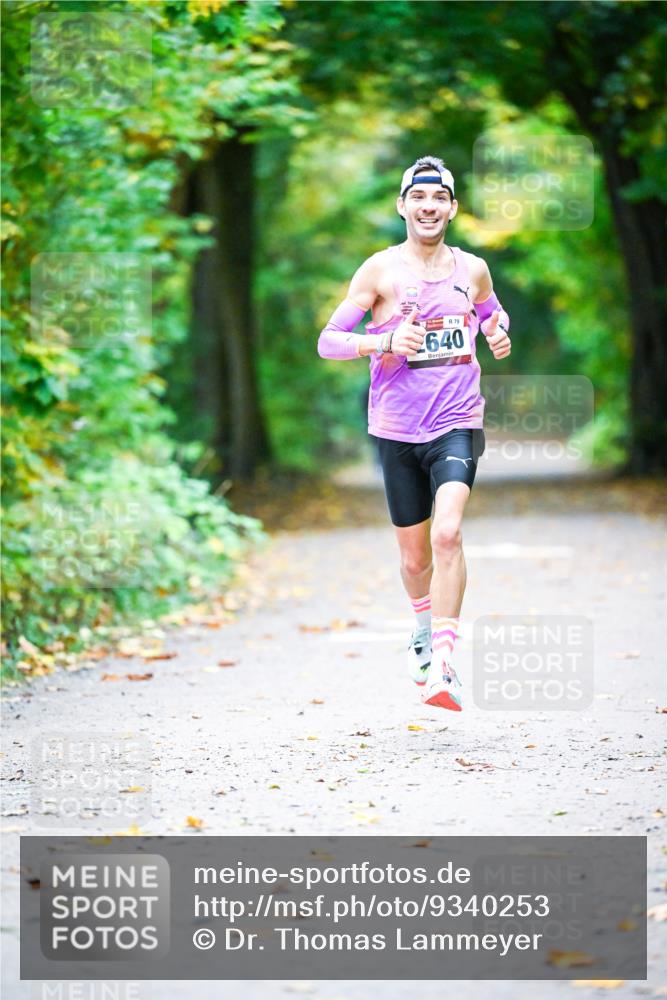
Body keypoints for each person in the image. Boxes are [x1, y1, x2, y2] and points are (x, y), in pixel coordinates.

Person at [317, 156, 511, 711]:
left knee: (448, 533)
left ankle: (444, 664)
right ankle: (423, 628)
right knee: (413, 559)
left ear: (452, 207)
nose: (429, 207)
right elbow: (329, 341)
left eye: (439, 198)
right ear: (403, 206)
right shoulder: (378, 272)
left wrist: (498, 331)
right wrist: (382, 343)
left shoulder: (472, 269)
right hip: (398, 428)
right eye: (418, 198)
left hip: (458, 420)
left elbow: (494, 315)